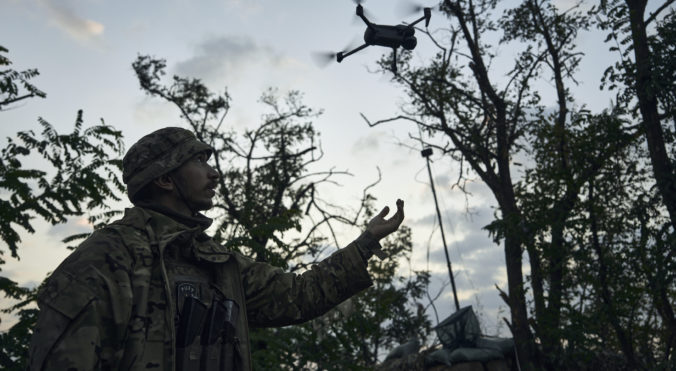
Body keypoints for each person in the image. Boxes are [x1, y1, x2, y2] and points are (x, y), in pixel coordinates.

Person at [28, 127, 405, 370]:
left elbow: (297, 296)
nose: (214, 173)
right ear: (164, 178)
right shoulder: (108, 257)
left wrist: (366, 243)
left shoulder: (218, 263)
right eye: (198, 161)